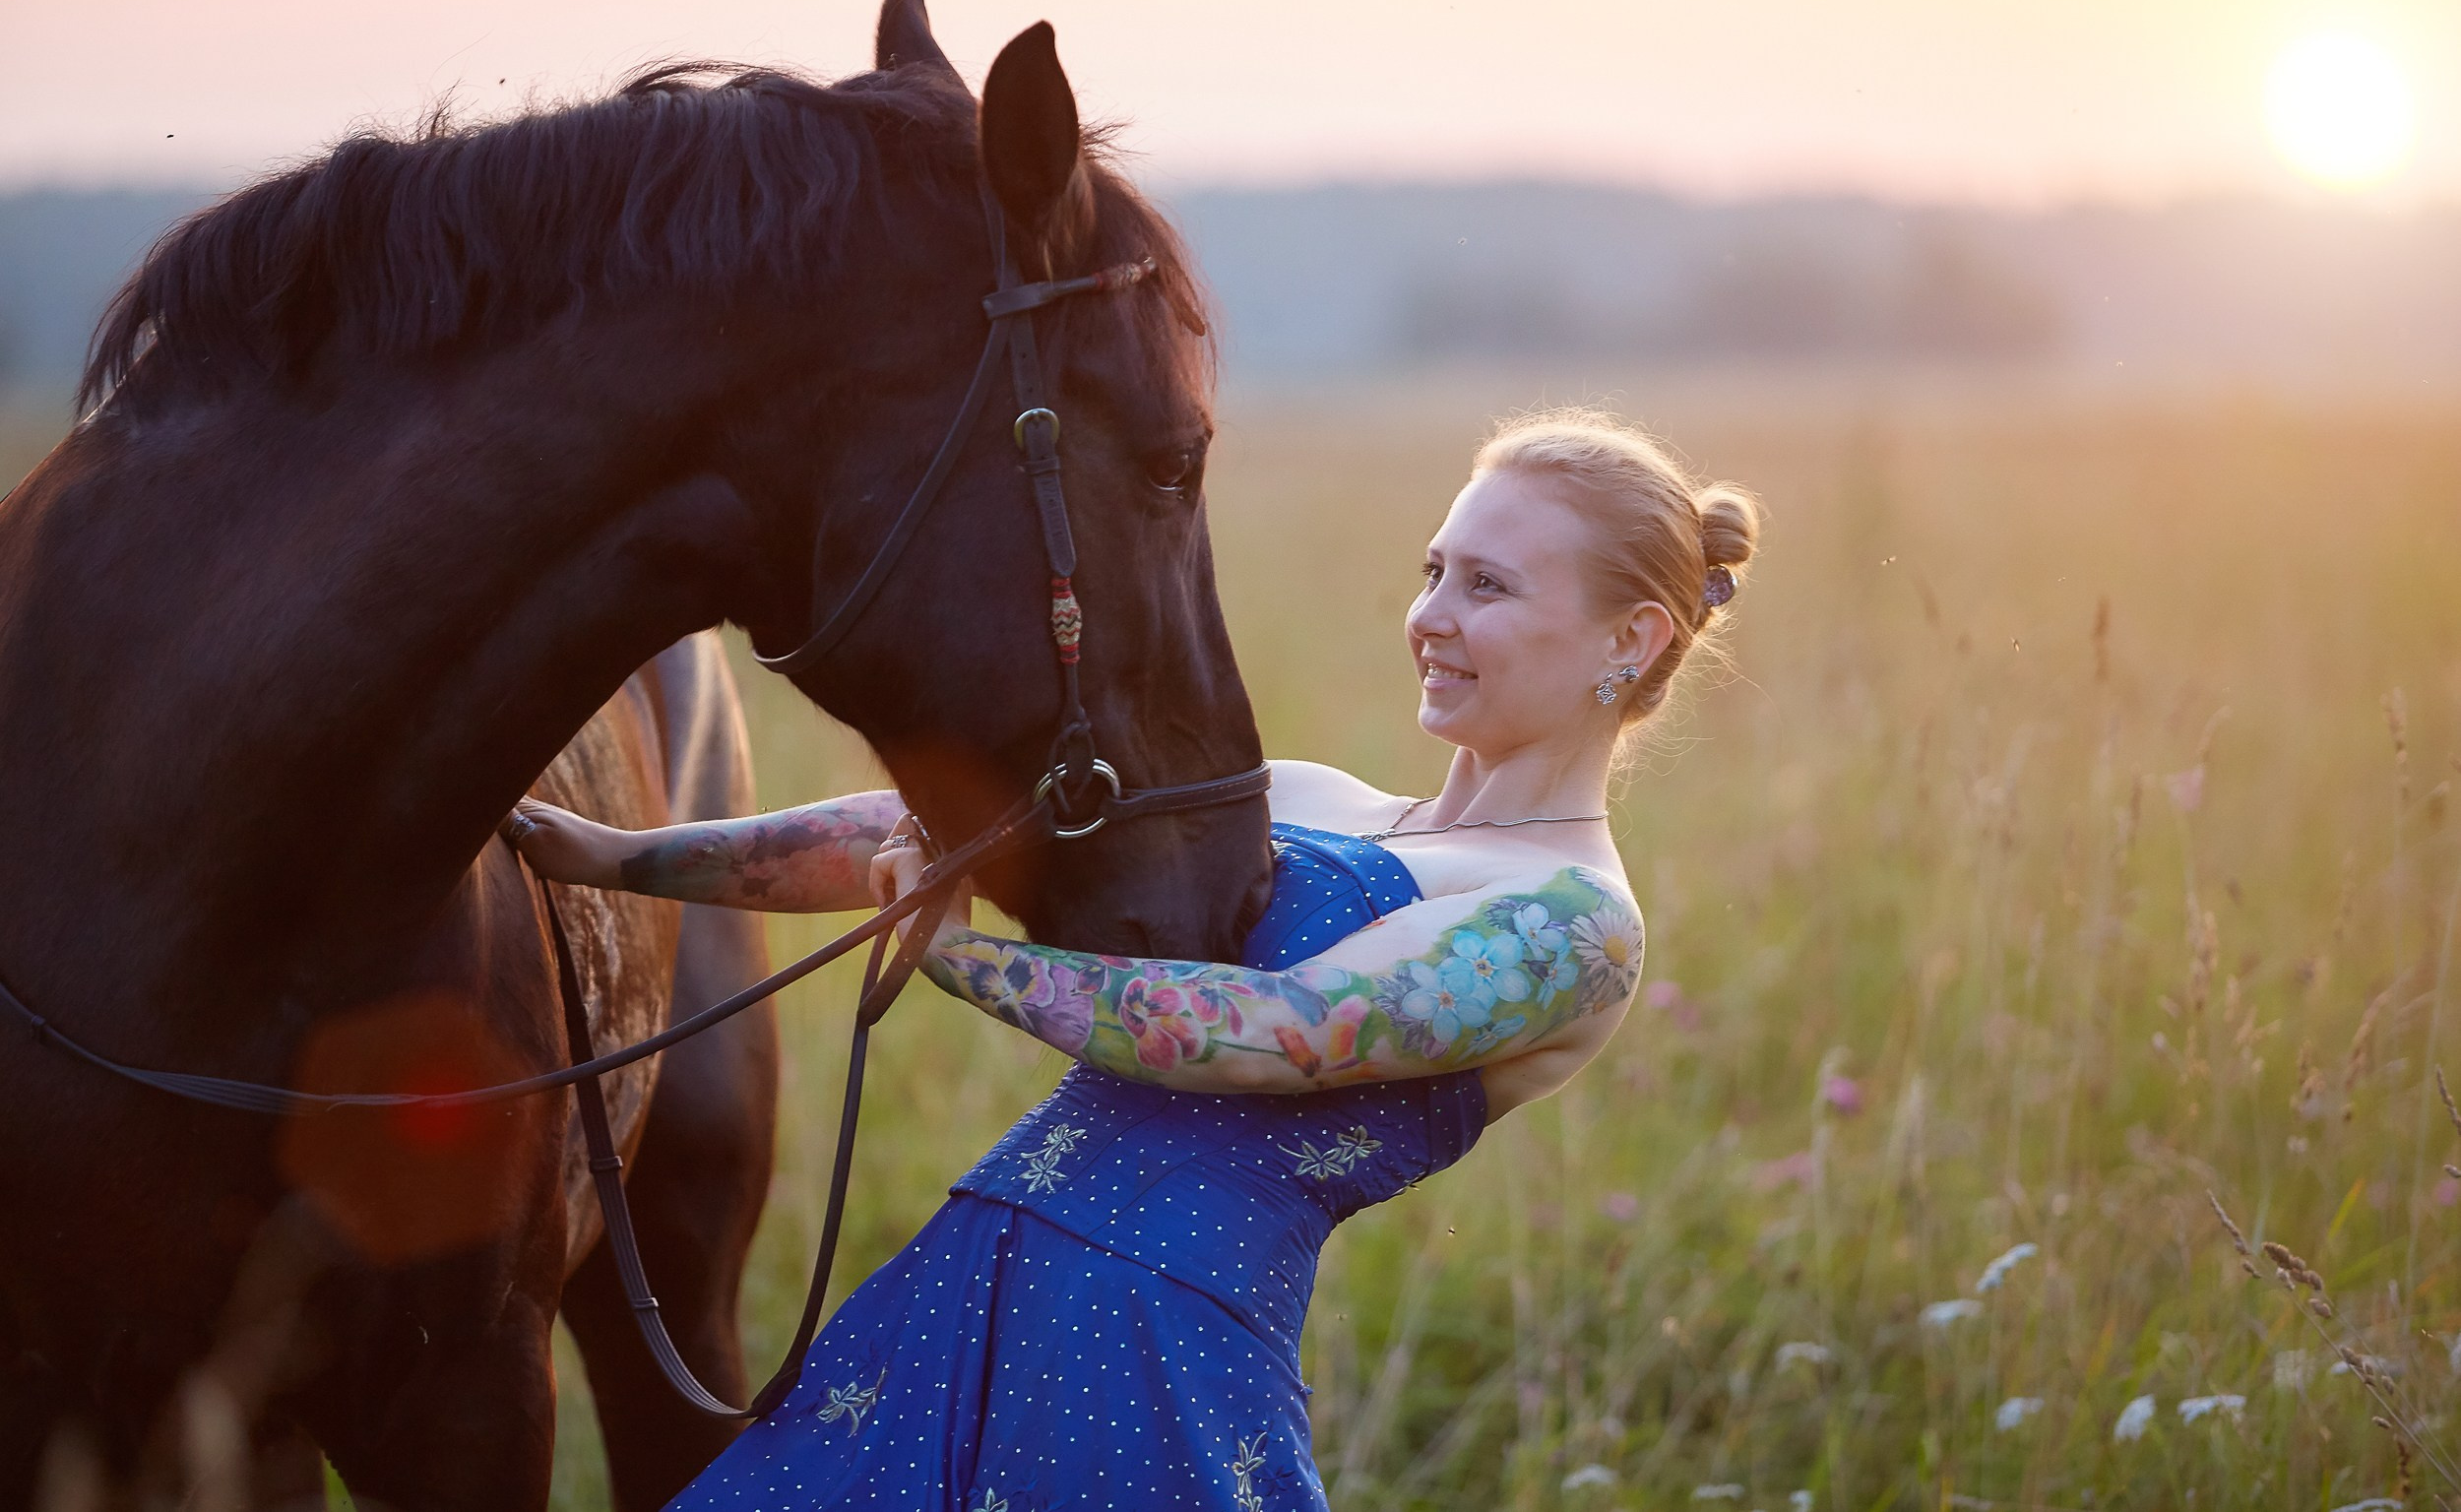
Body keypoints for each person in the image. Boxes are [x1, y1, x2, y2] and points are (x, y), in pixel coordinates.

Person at [509, 409, 1759, 1510]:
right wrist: (612, 858)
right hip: (971, 1287)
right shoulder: (1314, 795)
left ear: (1632, 638)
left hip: (1151, 1354)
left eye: (1487, 585)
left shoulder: (1574, 920)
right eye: (1432, 570)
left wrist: (966, 963)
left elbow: (1278, 1031)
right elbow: (939, 836)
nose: (1429, 615)